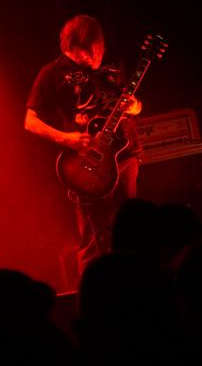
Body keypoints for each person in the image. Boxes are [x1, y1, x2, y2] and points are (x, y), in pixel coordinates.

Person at [24, 15, 143, 275]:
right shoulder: (52, 73)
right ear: (73, 46)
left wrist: (135, 107)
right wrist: (65, 138)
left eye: (95, 49)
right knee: (94, 238)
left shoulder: (113, 63)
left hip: (125, 156)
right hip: (88, 165)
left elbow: (134, 103)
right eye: (86, 52)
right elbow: (30, 122)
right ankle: (94, 292)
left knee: (131, 230)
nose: (93, 57)